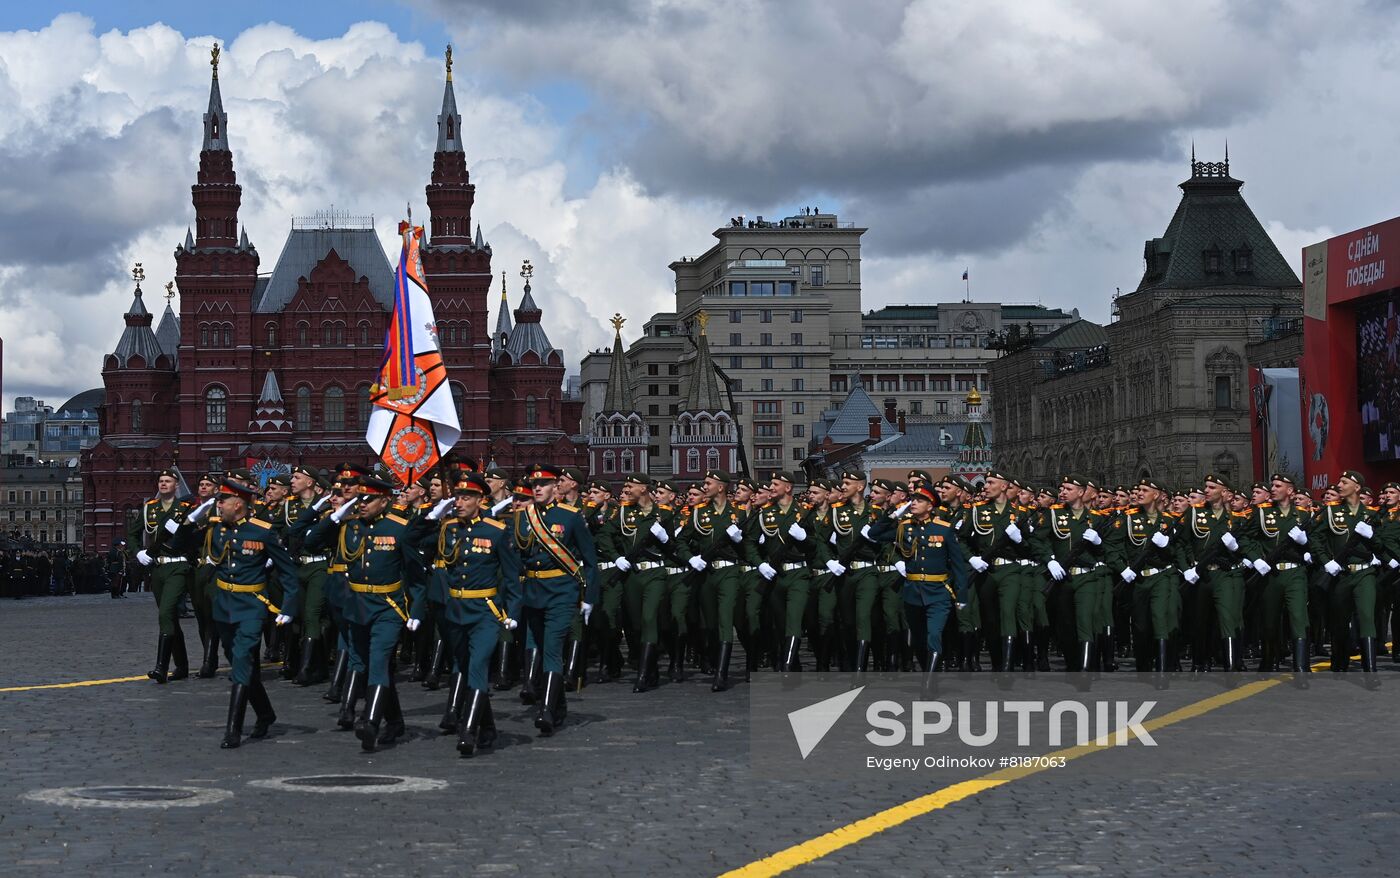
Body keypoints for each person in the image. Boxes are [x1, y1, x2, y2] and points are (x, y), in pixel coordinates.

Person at [305, 474, 425, 751]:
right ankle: (394, 722)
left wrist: (416, 609)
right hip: (356, 606)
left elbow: (416, 575)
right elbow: (310, 542)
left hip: (388, 607)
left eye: (368, 499)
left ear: (384, 500)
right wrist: (335, 518)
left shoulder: (400, 528)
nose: (362, 504)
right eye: (359, 499)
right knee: (364, 663)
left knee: (379, 660)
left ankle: (370, 721)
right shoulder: (349, 526)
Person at [415, 472, 522, 756]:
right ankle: (488, 728)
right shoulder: (447, 528)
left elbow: (512, 578)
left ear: (480, 500)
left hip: (485, 611)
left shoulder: (496, 531)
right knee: (462, 667)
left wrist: (512, 612)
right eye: (457, 497)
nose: (459, 502)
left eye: (466, 497)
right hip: (454, 610)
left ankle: (468, 731)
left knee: (477, 667)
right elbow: (409, 539)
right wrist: (431, 514)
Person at [196, 476, 302, 749]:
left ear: (239, 504)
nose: (218, 504)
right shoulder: (216, 530)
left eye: (223, 500)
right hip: (224, 605)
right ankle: (265, 714)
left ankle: (233, 728)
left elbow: (288, 572)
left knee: (242, 659)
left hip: (252, 606)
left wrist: (288, 608)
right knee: (240, 663)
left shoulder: (262, 532)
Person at [512, 465, 598, 734]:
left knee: (551, 648)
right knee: (537, 643)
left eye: (545, 483)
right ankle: (559, 707)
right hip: (533, 591)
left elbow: (590, 561)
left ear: (556, 487)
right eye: (534, 484)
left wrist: (589, 597)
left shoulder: (571, 517)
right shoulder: (523, 517)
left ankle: (546, 709)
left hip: (562, 591)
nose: (537, 488)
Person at [866, 484, 970, 695]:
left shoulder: (943, 529)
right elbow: (874, 533)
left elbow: (958, 566)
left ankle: (928, 684)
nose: (913, 503)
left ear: (930, 505)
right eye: (912, 499)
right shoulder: (905, 527)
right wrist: (894, 514)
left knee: (934, 635)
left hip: (938, 591)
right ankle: (929, 672)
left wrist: (962, 596)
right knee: (920, 640)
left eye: (919, 500)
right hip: (913, 592)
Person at [130, 468, 200, 684]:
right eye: (161, 481)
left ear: (176, 485)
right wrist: (138, 552)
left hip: (178, 567)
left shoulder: (185, 508)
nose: (163, 484)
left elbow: (195, 536)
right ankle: (182, 665)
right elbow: (133, 533)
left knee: (166, 613)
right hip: (158, 569)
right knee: (168, 616)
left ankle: (161, 667)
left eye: (168, 481)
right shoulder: (150, 508)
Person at [1314, 470, 1384, 683]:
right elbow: (1316, 538)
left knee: (1366, 617)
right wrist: (1327, 561)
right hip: (1341, 575)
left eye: (1344, 482)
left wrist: (1373, 538)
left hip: (1364, 573)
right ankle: (1340, 661)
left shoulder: (1372, 514)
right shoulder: (1330, 513)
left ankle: (1370, 670)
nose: (1339, 485)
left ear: (1357, 487)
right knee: (1340, 620)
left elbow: (1381, 545)